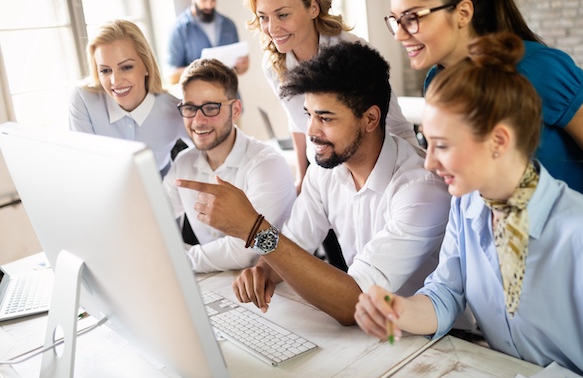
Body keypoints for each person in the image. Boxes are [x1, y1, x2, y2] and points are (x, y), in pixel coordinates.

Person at [354, 33, 583, 378]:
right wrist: (398, 311)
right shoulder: (465, 205)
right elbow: (446, 291)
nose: (428, 163)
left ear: (499, 141)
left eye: (441, 146)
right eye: (426, 143)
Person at [175, 41, 451, 325]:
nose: (311, 131)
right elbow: (295, 243)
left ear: (370, 118)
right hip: (376, 334)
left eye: (325, 118)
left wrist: (254, 229)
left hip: (438, 342)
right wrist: (264, 271)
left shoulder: (420, 189)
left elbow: (353, 304)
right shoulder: (326, 170)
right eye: (309, 115)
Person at [386, 0, 583, 237]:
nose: (398, 34)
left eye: (411, 18)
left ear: (463, 13)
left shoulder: (541, 69)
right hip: (508, 250)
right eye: (395, 19)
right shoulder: (437, 82)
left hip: (582, 248)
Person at [245, 0, 418, 192]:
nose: (272, 28)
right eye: (263, 17)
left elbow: (395, 125)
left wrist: (413, 179)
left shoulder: (353, 54)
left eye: (282, 15)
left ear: (313, 8)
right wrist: (302, 176)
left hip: (375, 174)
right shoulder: (275, 63)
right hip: (325, 173)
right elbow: (296, 122)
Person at [163, 58, 295, 273]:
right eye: (190, 108)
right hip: (217, 281)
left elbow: (246, 251)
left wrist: (178, 261)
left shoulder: (267, 165)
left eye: (210, 108)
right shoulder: (184, 162)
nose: (198, 120)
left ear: (235, 110)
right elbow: (154, 223)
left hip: (274, 286)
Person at [69, 19, 188, 177]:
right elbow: (84, 166)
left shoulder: (175, 109)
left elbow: (212, 153)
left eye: (126, 67)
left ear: (146, 66)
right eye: (105, 70)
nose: (115, 81)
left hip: (160, 193)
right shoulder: (83, 100)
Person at [167, 0, 249, 85]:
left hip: (231, 97)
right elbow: (171, 76)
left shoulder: (228, 25)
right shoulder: (179, 29)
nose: (209, 5)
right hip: (201, 101)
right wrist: (202, 70)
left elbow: (240, 70)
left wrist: (243, 65)